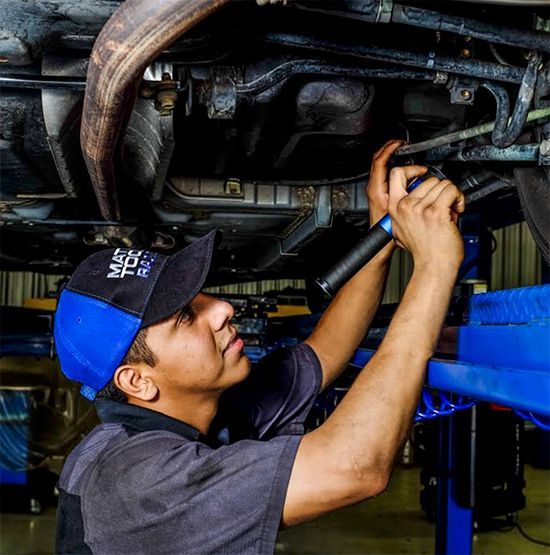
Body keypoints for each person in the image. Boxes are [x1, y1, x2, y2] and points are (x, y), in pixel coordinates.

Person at [53, 139, 465, 554]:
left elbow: (325, 350)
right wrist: (435, 267)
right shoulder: (135, 481)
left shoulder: (198, 415)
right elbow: (355, 467)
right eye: (186, 317)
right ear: (137, 382)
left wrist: (382, 232)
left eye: (201, 298)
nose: (223, 308)